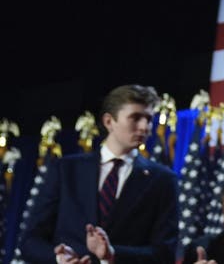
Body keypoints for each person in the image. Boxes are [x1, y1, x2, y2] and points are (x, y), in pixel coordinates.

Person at [20, 84, 179, 264]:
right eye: (135, 118)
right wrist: (59, 258)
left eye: (149, 119)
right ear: (109, 121)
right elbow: (31, 241)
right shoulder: (66, 169)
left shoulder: (163, 180)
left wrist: (113, 255)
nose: (144, 127)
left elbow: (164, 253)